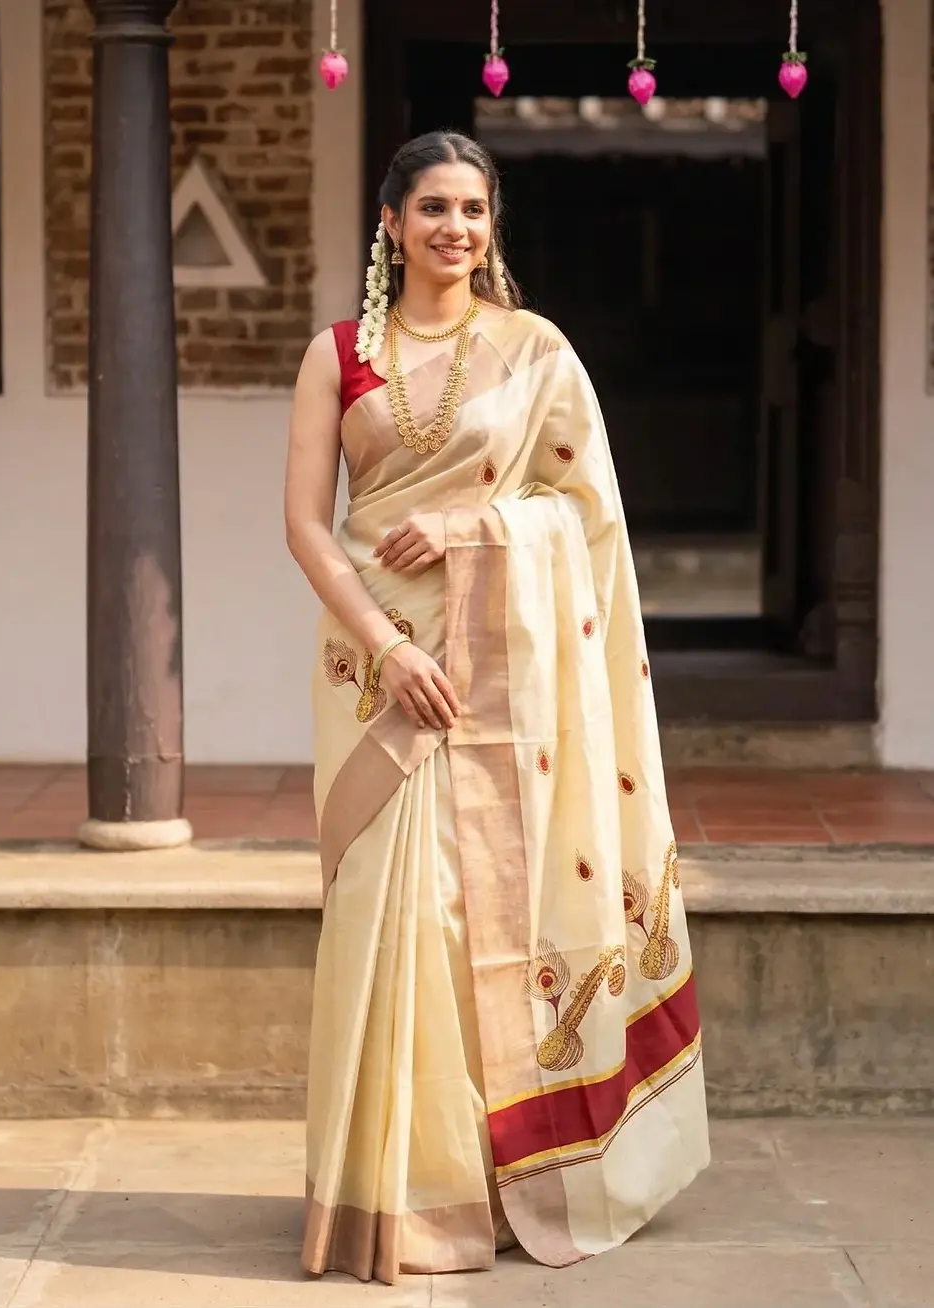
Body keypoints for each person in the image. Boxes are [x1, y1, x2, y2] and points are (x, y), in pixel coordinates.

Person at [284, 130, 710, 1286]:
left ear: (490, 224)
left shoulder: (534, 353)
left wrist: (477, 528)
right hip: (375, 673)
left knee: (490, 920)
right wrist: (384, 640)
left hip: (503, 675)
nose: (453, 230)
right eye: (430, 208)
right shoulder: (339, 355)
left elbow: (585, 517)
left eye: (472, 210)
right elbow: (306, 528)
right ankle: (395, 1197)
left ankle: (502, 1173)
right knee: (393, 915)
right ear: (390, 222)